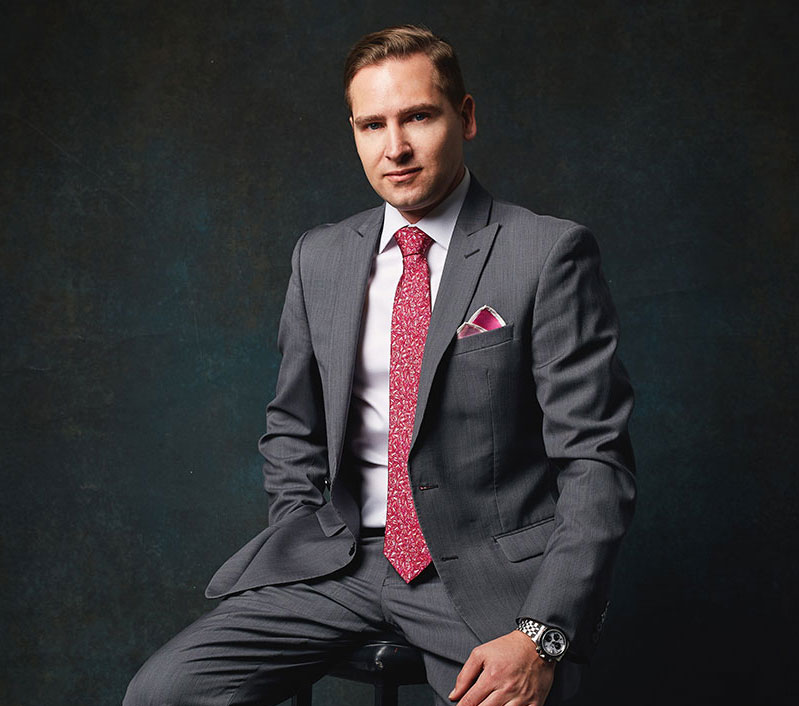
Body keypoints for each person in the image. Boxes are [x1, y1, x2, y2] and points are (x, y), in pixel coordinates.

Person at [124, 24, 636, 706]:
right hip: (338, 567)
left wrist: (541, 632)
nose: (394, 147)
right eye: (372, 125)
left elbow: (596, 462)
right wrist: (301, 528)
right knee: (162, 694)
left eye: (417, 117)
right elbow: (292, 427)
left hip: (483, 580)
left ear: (465, 116)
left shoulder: (545, 253)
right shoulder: (321, 257)